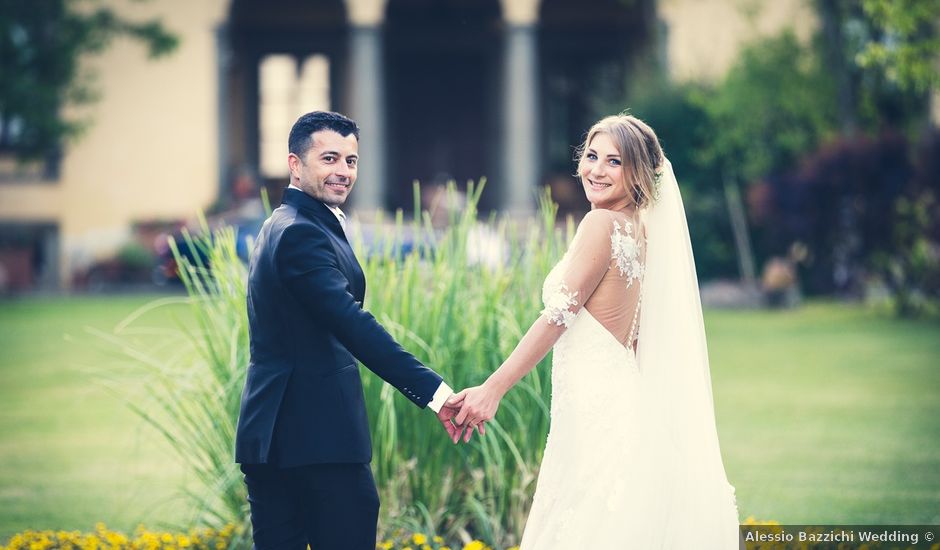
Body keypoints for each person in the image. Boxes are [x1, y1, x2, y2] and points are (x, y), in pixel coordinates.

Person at [448, 114, 741, 548]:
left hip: (596, 410)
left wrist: (493, 389)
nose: (595, 170)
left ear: (639, 172)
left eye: (614, 161)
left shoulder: (601, 224)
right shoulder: (639, 230)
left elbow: (558, 316)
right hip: (616, 402)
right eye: (591, 156)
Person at [234, 111, 470, 550]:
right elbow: (353, 325)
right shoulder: (301, 233)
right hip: (317, 441)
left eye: (352, 160)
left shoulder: (282, 225)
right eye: (330, 158)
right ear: (295, 164)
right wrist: (436, 394)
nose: (343, 171)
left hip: (272, 436)